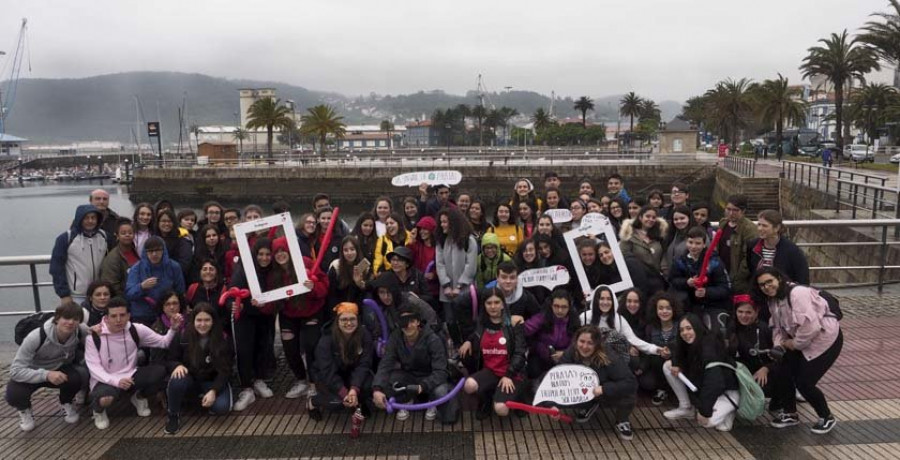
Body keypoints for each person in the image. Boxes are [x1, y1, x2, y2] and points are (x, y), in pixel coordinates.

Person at [752, 267, 842, 434]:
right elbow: (777, 327)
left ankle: (826, 416)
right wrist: (779, 345)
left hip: (825, 339)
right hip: (799, 339)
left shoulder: (797, 294)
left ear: (779, 278)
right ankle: (790, 413)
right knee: (782, 369)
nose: (766, 287)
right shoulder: (773, 300)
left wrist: (795, 344)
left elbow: (811, 326)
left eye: (769, 281)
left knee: (804, 382)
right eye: (762, 284)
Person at [85, 297, 183, 430]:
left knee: (160, 372)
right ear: (106, 318)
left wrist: (173, 328)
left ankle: (137, 396)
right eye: (113, 316)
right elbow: (94, 368)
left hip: (130, 374)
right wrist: (116, 381)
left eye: (122, 315)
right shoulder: (94, 337)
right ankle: (98, 411)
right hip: (106, 380)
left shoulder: (136, 329)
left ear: (129, 316)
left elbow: (163, 342)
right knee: (105, 398)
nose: (118, 320)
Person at [7, 302, 89, 432]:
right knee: (14, 394)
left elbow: (94, 335)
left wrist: (98, 332)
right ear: (57, 319)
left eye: (75, 319)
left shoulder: (80, 331)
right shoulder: (36, 337)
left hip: (60, 368)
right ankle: (24, 410)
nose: (70, 322)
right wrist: (46, 374)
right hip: (32, 370)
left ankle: (66, 401)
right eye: (66, 318)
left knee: (78, 377)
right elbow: (15, 370)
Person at [372, 303, 459, 424]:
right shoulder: (396, 337)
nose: (408, 326)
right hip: (409, 376)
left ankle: (431, 401)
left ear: (418, 322)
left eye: (411, 321)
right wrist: (377, 388)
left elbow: (441, 371)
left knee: (441, 392)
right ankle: (406, 399)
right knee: (385, 383)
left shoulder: (433, 339)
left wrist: (423, 385)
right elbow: (386, 363)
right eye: (404, 322)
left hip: (431, 377)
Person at [270, 236, 328, 399]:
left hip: (311, 311)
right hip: (289, 314)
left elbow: (324, 288)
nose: (280, 255)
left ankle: (313, 382)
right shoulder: (274, 272)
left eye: (283, 251)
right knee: (289, 347)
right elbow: (271, 298)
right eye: (277, 252)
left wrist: (313, 286)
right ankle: (301, 380)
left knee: (311, 345)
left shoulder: (306, 263)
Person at [662, 313, 740, 432]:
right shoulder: (691, 342)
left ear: (697, 327)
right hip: (710, 387)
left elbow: (715, 382)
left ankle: (730, 410)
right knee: (668, 366)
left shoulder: (708, 347)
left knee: (706, 422)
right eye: (682, 330)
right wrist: (676, 363)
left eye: (689, 328)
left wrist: (704, 411)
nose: (685, 333)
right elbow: (677, 348)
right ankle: (686, 408)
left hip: (726, 392)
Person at [163, 303, 233, 434]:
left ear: (213, 321)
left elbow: (225, 370)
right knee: (177, 378)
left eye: (207, 320)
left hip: (212, 380)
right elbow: (170, 359)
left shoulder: (223, 338)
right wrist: (176, 365)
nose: (203, 324)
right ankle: (173, 415)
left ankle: (204, 399)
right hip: (190, 378)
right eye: (199, 320)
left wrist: (214, 390)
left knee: (222, 408)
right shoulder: (182, 335)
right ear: (193, 320)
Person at [459, 287, 528, 420]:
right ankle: (486, 399)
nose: (493, 306)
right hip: (490, 371)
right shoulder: (481, 323)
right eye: (489, 303)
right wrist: (468, 341)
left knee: (501, 409)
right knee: (469, 386)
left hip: (511, 373)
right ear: (484, 305)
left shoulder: (514, 324)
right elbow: (476, 335)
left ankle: (519, 396)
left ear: (503, 304)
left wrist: (509, 375)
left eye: (497, 302)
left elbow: (520, 352)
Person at [559, 325, 637, 439]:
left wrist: (604, 389)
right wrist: (553, 405)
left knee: (628, 395)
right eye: (582, 341)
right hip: (583, 389)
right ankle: (588, 405)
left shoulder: (610, 357)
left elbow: (631, 382)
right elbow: (556, 377)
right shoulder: (571, 352)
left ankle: (622, 420)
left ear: (597, 344)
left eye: (590, 343)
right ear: (576, 341)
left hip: (604, 391)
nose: (585, 346)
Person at [228, 238, 278, 411]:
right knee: (244, 350)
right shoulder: (243, 269)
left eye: (267, 254)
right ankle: (246, 388)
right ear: (254, 255)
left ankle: (259, 380)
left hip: (265, 315)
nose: (264, 258)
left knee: (263, 346)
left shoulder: (273, 271)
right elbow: (232, 291)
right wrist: (236, 304)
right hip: (245, 316)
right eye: (261, 254)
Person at [308, 302, 375, 421]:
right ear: (337, 321)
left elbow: (364, 364)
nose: (348, 323)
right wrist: (344, 393)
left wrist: (354, 389)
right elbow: (327, 372)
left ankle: (359, 402)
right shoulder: (326, 341)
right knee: (338, 403)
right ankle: (312, 402)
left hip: (350, 372)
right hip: (327, 376)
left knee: (368, 385)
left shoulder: (364, 335)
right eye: (344, 319)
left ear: (358, 320)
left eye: (352, 319)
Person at [728, 294, 782, 415]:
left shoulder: (765, 329)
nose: (743, 316)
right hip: (741, 372)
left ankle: (778, 401)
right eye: (740, 311)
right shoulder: (731, 329)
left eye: (748, 312)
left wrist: (766, 368)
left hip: (762, 370)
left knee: (780, 377)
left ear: (756, 312)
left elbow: (780, 357)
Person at [580, 285, 665, 361]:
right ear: (595, 300)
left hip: (612, 358)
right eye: (602, 299)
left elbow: (633, 339)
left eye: (609, 299)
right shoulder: (584, 317)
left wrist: (655, 349)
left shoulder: (618, 319)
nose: (605, 302)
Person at [669, 227, 732, 327]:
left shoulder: (714, 262)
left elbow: (725, 288)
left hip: (713, 305)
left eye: (698, 243)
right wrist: (686, 282)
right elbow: (673, 280)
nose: (693, 246)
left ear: (704, 245)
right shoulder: (680, 261)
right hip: (689, 305)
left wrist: (706, 292)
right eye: (690, 242)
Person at [50, 204, 108, 305]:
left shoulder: (104, 237)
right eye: (86, 218)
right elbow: (56, 268)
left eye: (93, 218)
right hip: (76, 296)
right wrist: (64, 294)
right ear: (79, 219)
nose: (90, 221)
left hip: (99, 295)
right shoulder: (66, 238)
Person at [436, 208, 478, 345]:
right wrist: (446, 285)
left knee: (466, 321)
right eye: (441, 222)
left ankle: (468, 346)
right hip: (447, 290)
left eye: (445, 222)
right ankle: (457, 345)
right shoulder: (442, 240)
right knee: (450, 321)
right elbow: (440, 263)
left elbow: (470, 265)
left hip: (465, 290)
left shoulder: (469, 240)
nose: (442, 225)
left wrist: (460, 286)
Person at [125, 236, 186, 326]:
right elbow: (129, 294)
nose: (154, 254)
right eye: (150, 251)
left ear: (163, 251)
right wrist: (141, 287)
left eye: (157, 250)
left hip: (166, 315)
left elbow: (180, 291)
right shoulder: (136, 268)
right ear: (145, 253)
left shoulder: (174, 267)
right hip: (142, 315)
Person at [523, 288, 579, 379]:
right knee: (534, 369)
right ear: (551, 305)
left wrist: (566, 353)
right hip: (542, 357)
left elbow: (578, 343)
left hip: (565, 358)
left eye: (564, 307)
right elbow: (525, 329)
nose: (560, 310)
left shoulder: (575, 322)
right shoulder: (542, 317)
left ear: (569, 307)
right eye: (556, 306)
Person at [640, 292, 682, 406]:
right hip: (656, 367)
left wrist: (671, 354)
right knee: (647, 383)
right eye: (661, 308)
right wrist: (642, 367)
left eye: (668, 308)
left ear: (674, 309)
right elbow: (646, 350)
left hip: (677, 365)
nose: (664, 311)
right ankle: (663, 388)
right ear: (656, 310)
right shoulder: (650, 328)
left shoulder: (681, 326)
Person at [747, 209, 810, 286]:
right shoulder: (752, 245)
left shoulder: (792, 250)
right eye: (759, 224)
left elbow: (802, 277)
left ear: (777, 228)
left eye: (764, 226)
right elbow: (750, 270)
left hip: (783, 292)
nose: (760, 228)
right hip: (759, 292)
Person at [718, 194, 757, 294]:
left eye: (735, 210)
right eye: (728, 209)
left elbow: (749, 257)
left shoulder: (749, 229)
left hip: (737, 278)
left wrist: (737, 278)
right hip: (722, 272)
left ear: (743, 211)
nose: (731, 213)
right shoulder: (723, 223)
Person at [619, 205, 667, 276]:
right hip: (637, 277)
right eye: (647, 216)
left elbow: (663, 255)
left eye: (653, 217)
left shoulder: (659, 235)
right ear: (640, 218)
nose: (651, 219)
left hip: (657, 277)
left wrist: (664, 270)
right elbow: (624, 257)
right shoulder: (629, 235)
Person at [326, 236, 371, 310]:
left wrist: (359, 284)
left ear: (357, 250)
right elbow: (331, 295)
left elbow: (366, 294)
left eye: (352, 249)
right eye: (345, 250)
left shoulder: (364, 266)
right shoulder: (336, 266)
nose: (349, 253)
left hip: (358, 309)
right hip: (339, 308)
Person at [100, 218, 140, 296]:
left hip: (137, 295)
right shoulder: (112, 258)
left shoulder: (135, 251)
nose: (127, 235)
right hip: (123, 300)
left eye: (130, 232)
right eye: (123, 233)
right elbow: (111, 286)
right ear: (117, 235)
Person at [155, 209, 192, 278]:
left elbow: (184, 264)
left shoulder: (183, 240)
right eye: (163, 221)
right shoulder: (154, 239)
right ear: (158, 223)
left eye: (169, 221)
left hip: (175, 278)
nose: (167, 224)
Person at [662, 206, 692, 277]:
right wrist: (664, 267)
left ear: (689, 218)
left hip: (689, 277)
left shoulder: (698, 234)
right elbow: (665, 252)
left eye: (682, 218)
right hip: (671, 277)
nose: (679, 221)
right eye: (675, 219)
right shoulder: (671, 234)